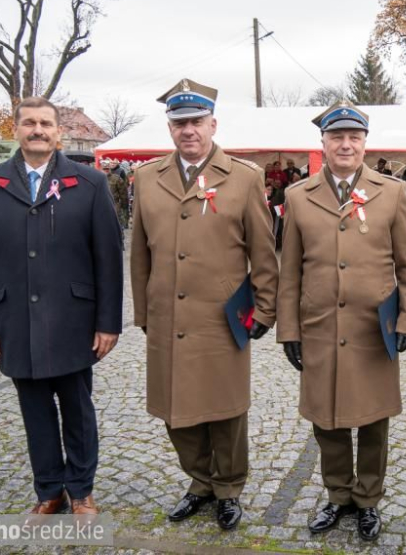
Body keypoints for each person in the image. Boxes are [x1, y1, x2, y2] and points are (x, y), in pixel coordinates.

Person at [130, 78, 279, 531]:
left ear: (213, 124)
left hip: (223, 314)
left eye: (196, 121)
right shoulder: (147, 177)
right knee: (176, 407)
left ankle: (229, 487)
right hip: (167, 315)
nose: (188, 130)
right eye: (179, 123)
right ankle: (200, 482)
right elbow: (139, 252)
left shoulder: (244, 177)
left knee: (226, 407)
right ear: (170, 129)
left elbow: (264, 252)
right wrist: (143, 313)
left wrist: (265, 308)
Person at [0, 96, 123, 516]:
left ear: (58, 132)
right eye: (29, 123)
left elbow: (108, 259)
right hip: (14, 321)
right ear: (15, 130)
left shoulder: (90, 184)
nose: (38, 130)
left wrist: (109, 323)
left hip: (74, 321)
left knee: (77, 410)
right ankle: (49, 490)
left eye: (46, 124)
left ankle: (82, 489)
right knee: (34, 411)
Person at [277, 101, 406, 541]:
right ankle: (338, 495)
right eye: (336, 137)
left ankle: (369, 499)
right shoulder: (298, 196)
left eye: (353, 137)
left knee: (374, 420)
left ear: (364, 143)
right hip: (320, 326)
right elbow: (290, 271)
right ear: (322, 143)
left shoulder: (392, 192)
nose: (345, 144)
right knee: (328, 419)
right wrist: (289, 330)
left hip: (372, 329)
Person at [103, 160, 129, 229]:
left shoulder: (116, 178)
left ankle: (120, 235)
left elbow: (123, 193)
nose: (106, 170)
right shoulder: (98, 178)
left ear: (110, 169)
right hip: (101, 205)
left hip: (114, 204)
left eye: (107, 169)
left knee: (117, 223)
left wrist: (124, 205)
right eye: (104, 169)